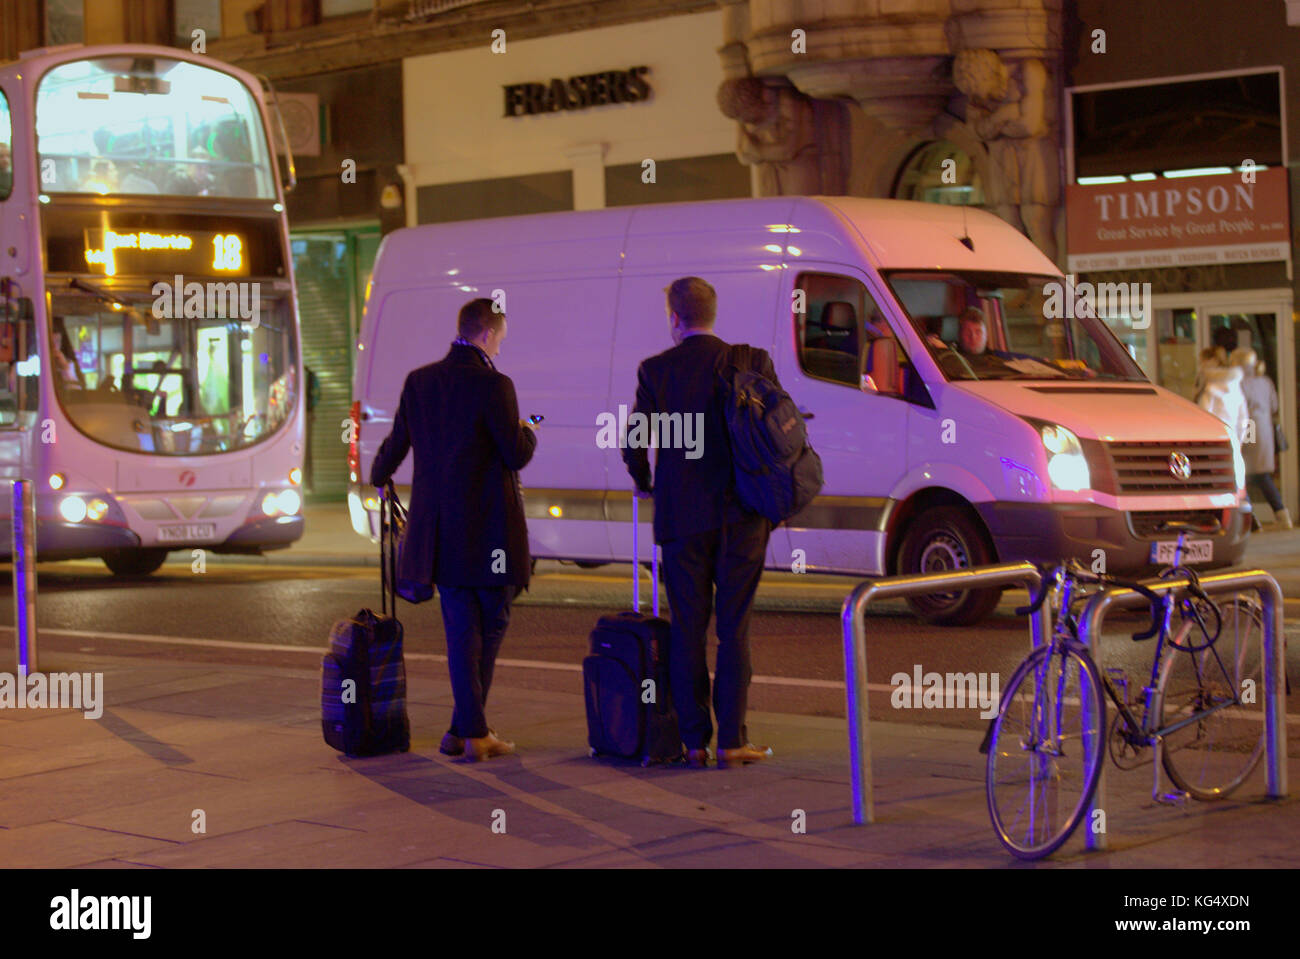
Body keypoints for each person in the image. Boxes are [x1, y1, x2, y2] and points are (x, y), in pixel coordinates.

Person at [369, 297, 537, 761]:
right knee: (492, 623)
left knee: (463, 630)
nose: (501, 347)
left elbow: (396, 443)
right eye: (500, 338)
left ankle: (463, 731)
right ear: (486, 334)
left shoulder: (420, 382)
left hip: (441, 534)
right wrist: (529, 430)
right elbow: (514, 453)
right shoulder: (495, 385)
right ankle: (473, 732)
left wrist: (378, 473)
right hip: (490, 534)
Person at [622, 276, 778, 769]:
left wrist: (645, 479)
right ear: (713, 313)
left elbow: (634, 440)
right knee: (735, 629)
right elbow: (777, 431)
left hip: (683, 517)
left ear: (674, 318)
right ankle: (733, 741)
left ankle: (694, 742)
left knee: (688, 627)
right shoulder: (751, 362)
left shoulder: (656, 371)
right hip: (743, 514)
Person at [1232, 347, 1291, 530]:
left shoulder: (1240, 383)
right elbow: (1274, 405)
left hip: (1248, 429)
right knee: (1262, 476)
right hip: (1264, 430)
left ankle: (1251, 521)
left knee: (1242, 475)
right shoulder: (1265, 382)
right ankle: (1282, 514)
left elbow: (1238, 409)